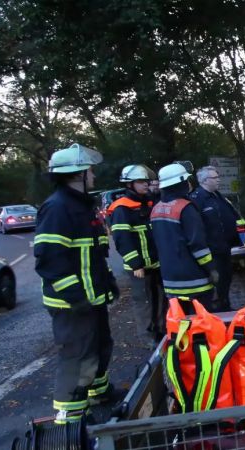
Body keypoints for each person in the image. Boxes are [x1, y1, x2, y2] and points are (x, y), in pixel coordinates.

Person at [34, 143, 117, 425]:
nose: (93, 175)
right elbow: (50, 261)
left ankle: (99, 394)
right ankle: (69, 422)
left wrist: (107, 283)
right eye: (89, 170)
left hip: (91, 299)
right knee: (77, 358)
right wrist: (76, 297)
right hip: (72, 304)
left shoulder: (82, 206)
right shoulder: (58, 208)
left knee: (100, 347)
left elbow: (92, 255)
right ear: (78, 174)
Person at [150, 162, 219, 313]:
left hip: (170, 281)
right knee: (202, 325)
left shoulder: (156, 209)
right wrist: (211, 268)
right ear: (180, 183)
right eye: (186, 180)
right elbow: (198, 245)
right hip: (195, 281)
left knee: (181, 325)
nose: (189, 184)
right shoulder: (185, 208)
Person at [108, 164, 165, 347]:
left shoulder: (149, 203)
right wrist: (135, 264)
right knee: (143, 303)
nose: (145, 185)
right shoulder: (121, 208)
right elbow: (122, 239)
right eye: (140, 182)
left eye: (146, 181)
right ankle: (148, 337)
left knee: (160, 299)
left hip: (156, 263)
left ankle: (162, 331)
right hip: (139, 268)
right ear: (129, 184)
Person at [189, 166, 240, 312]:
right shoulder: (197, 199)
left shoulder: (218, 196)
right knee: (215, 283)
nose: (219, 179)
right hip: (211, 252)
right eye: (215, 177)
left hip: (225, 248)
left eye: (218, 177)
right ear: (205, 180)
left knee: (226, 279)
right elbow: (195, 227)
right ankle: (216, 312)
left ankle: (225, 306)